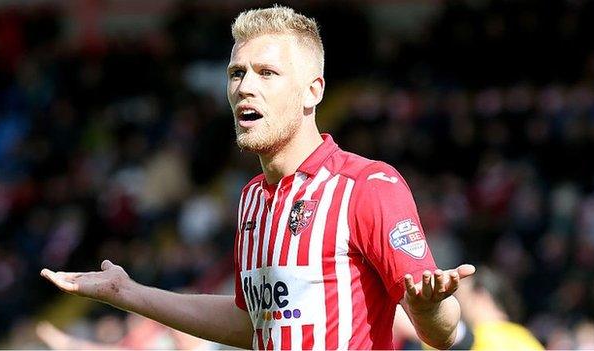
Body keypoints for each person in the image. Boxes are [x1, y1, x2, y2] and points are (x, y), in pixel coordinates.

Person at [41, 6, 475, 350]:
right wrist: (125, 291)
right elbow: (252, 324)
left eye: (266, 73)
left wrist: (428, 309)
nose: (245, 87)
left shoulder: (367, 187)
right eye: (237, 73)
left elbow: (443, 332)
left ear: (313, 91)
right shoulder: (251, 198)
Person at [393, 266, 543, 350]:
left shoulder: (491, 335)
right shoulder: (525, 337)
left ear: (480, 295)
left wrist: (417, 319)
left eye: (459, 298)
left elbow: (463, 338)